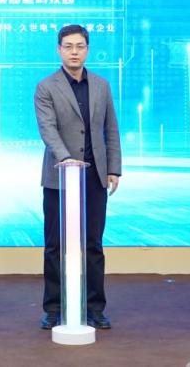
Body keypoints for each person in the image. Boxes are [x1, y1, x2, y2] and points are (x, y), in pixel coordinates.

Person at [34, 24, 121, 331]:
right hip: (59, 178)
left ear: (87, 49)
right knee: (55, 245)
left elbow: (110, 128)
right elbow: (47, 129)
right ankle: (54, 308)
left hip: (94, 177)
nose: (74, 52)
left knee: (93, 244)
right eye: (68, 46)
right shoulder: (46, 87)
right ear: (59, 50)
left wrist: (113, 168)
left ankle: (94, 308)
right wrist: (65, 159)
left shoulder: (101, 85)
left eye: (80, 46)